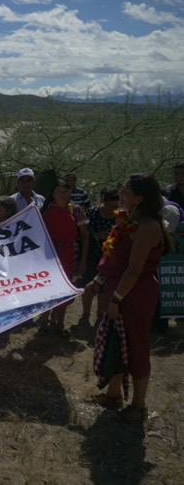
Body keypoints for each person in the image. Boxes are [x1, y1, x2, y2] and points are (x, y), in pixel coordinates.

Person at [87, 173, 171, 423]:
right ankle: (113, 396)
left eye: (125, 191)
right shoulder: (126, 220)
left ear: (140, 198)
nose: (120, 194)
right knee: (116, 342)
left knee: (136, 346)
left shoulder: (148, 227)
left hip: (134, 295)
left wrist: (116, 299)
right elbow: (114, 257)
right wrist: (99, 279)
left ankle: (138, 406)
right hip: (118, 290)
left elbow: (134, 270)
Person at [37, 180, 88, 337]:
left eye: (66, 191)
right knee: (47, 289)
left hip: (70, 255)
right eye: (59, 190)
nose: (62, 194)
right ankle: (43, 323)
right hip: (48, 256)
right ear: (53, 193)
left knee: (65, 290)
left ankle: (60, 323)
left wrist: (83, 261)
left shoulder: (77, 211)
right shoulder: (44, 211)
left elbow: (85, 237)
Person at [79, 188, 119, 324]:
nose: (112, 210)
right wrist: (95, 236)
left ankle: (100, 316)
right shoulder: (92, 213)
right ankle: (85, 315)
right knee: (88, 285)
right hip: (91, 254)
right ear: (103, 202)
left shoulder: (120, 217)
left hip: (109, 256)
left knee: (104, 287)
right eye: (109, 206)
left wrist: (109, 237)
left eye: (115, 207)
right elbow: (84, 233)